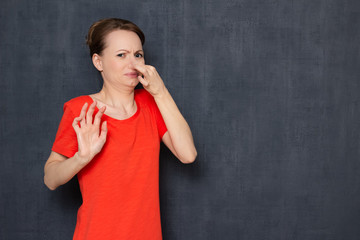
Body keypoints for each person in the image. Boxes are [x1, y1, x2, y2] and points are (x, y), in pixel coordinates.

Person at [43, 18, 197, 240]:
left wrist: (160, 91)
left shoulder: (151, 104)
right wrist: (81, 158)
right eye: (121, 55)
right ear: (98, 62)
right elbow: (50, 179)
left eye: (138, 55)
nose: (133, 64)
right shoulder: (81, 110)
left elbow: (188, 154)